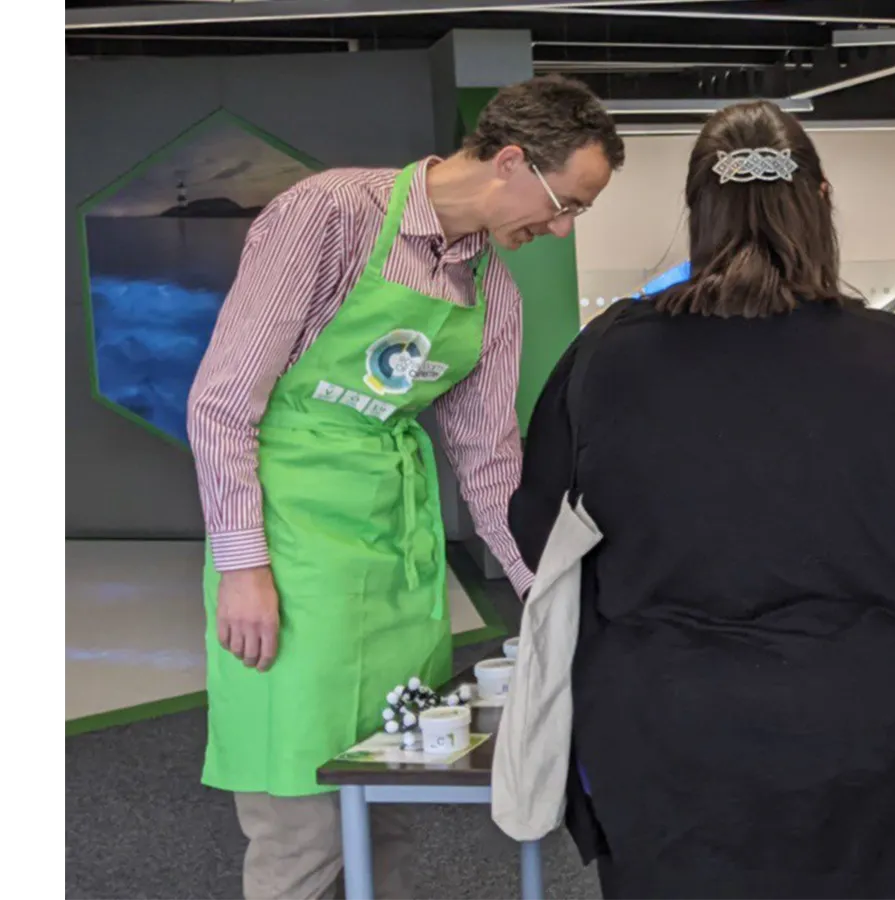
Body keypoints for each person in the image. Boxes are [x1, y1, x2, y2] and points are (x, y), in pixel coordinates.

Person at [508, 100, 895, 900]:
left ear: (697, 211)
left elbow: (537, 529)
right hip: (883, 728)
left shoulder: (606, 357)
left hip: (669, 739)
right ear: (821, 201)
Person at [186, 75, 624, 900]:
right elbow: (220, 405)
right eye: (566, 204)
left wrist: (546, 590)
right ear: (509, 161)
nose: (561, 229)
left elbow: (490, 461)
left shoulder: (491, 288)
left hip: (392, 553)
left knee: (383, 803)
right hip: (290, 548)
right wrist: (244, 567)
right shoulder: (331, 215)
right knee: (302, 827)